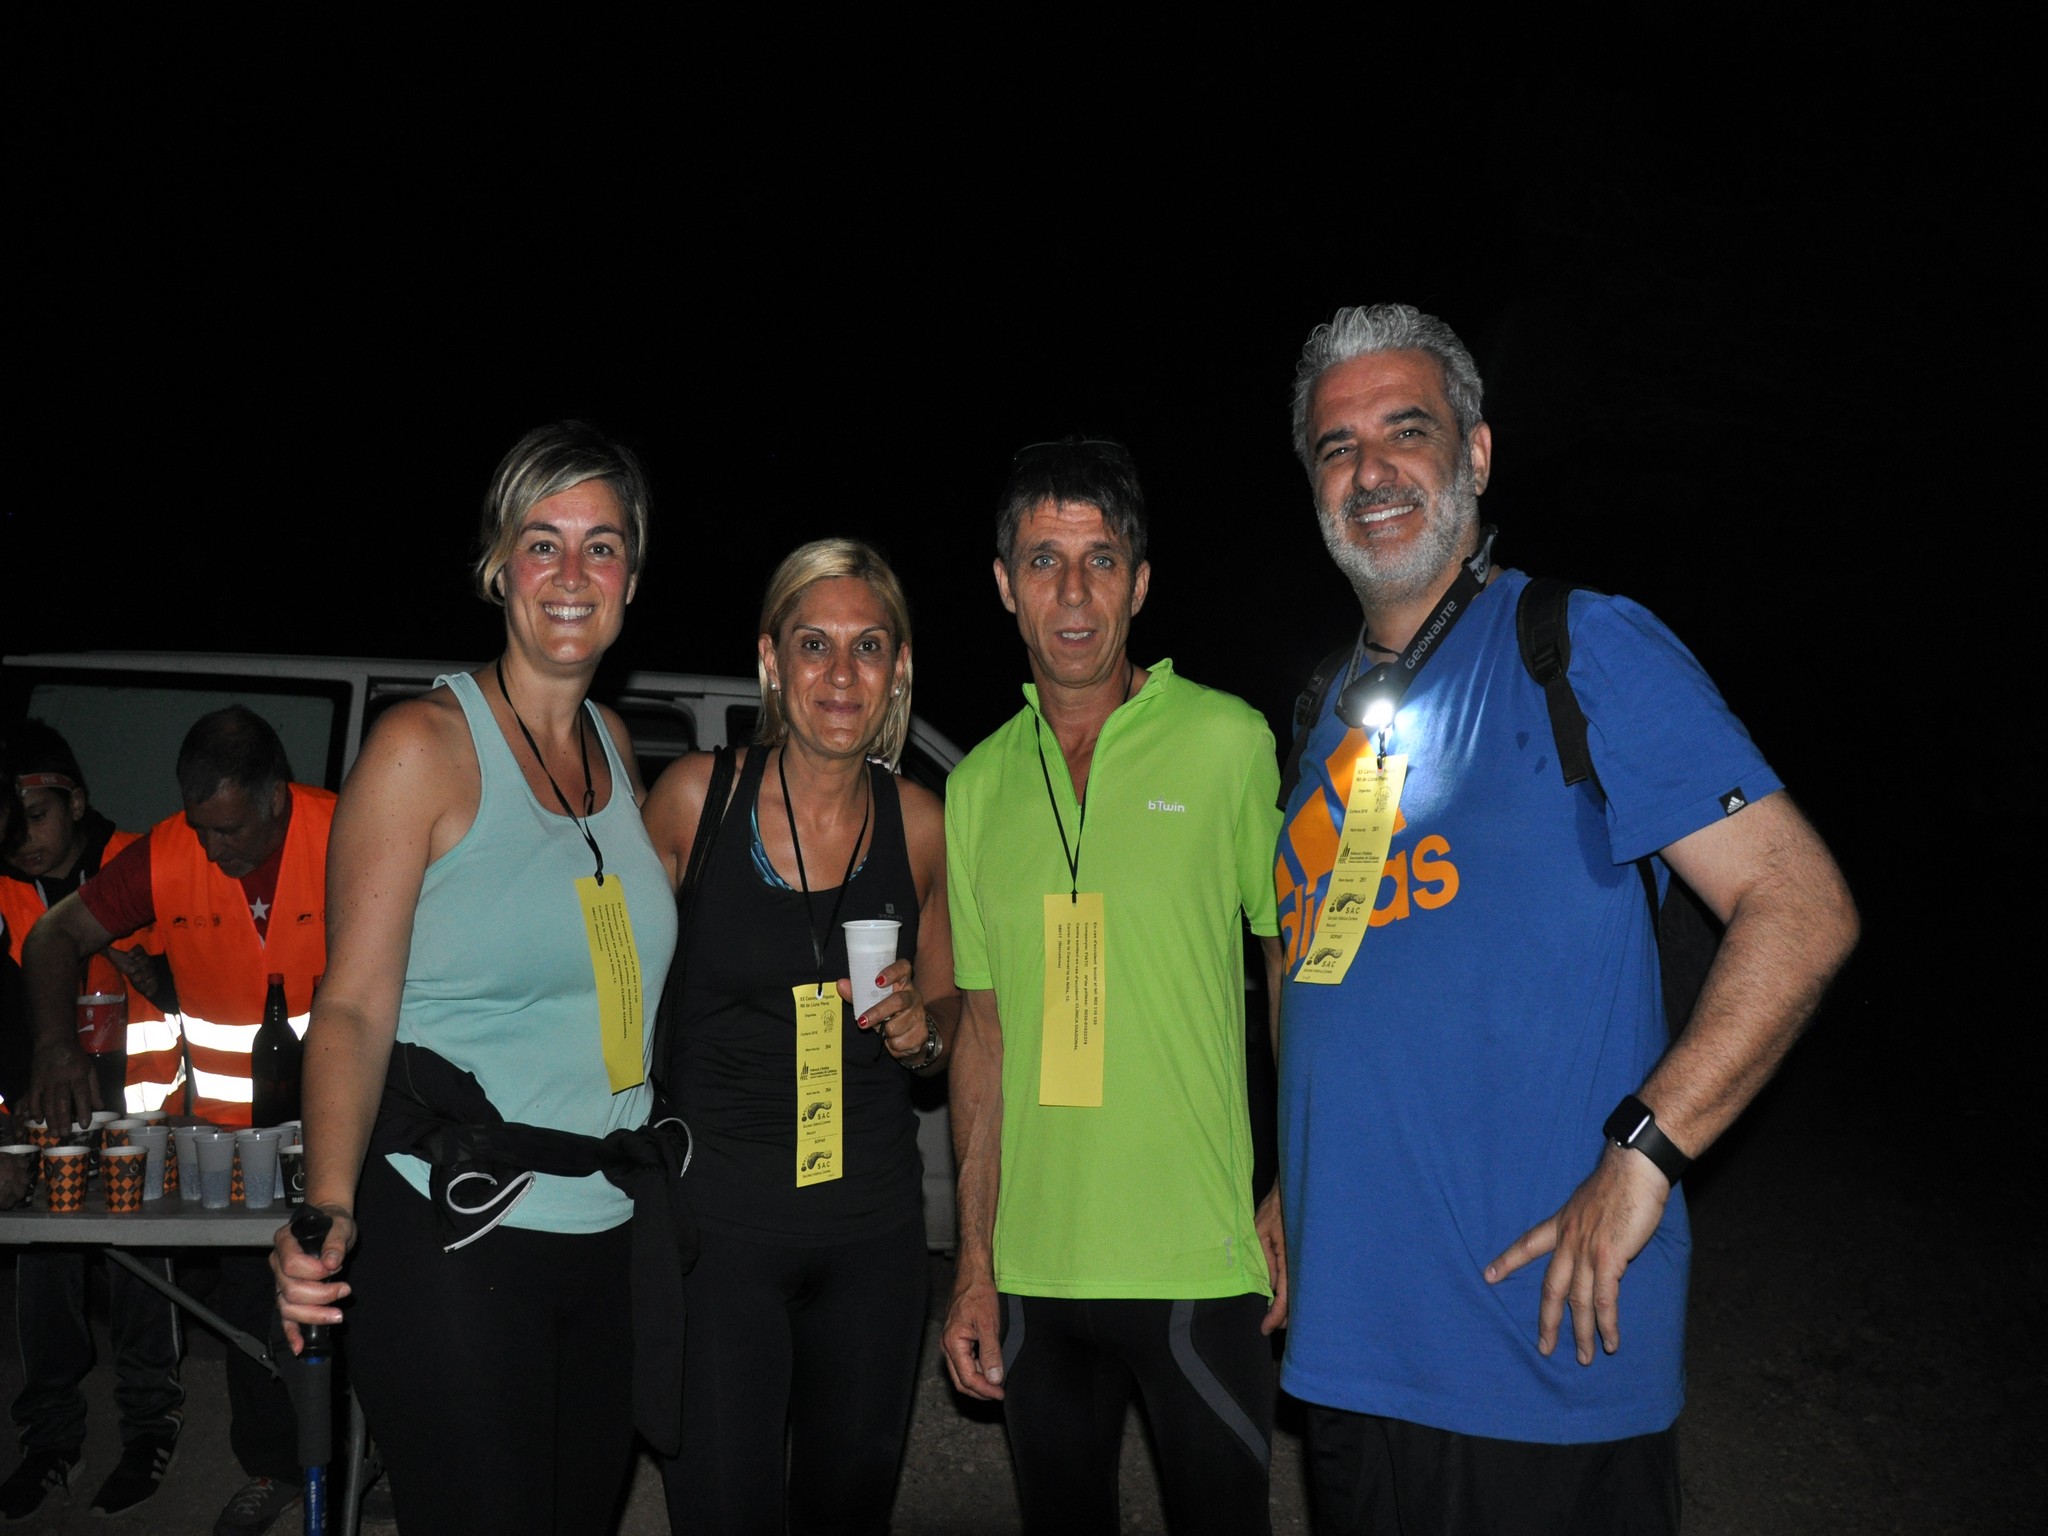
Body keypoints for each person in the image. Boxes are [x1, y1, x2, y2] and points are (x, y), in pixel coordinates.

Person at [1273, 303, 1860, 1534]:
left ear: (1475, 454)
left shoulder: (1577, 646)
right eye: (1335, 447)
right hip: (1346, 1355)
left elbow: (1798, 904)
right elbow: (1319, 972)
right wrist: (1294, 1179)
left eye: (1404, 430)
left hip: (1532, 1356)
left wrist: (1646, 1149)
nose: (1369, 471)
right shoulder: (1325, 709)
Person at [272, 421, 681, 1536]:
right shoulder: (421, 746)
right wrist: (328, 1203)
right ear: (500, 565)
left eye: (601, 546)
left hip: (606, 1226)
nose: (571, 572)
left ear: (632, 578)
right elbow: (351, 1005)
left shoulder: (615, 745)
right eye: (542, 542)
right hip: (455, 1227)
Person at [941, 438, 1287, 1534]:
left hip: (1201, 1260)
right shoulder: (977, 787)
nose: (1073, 593)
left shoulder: (1228, 743)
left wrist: (1299, 1186)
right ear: (1005, 586)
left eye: (1100, 560)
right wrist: (975, 1261)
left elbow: (1293, 966)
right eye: (1043, 561)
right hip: (1037, 1272)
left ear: (1139, 583)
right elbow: (982, 1036)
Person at [641, 538, 957, 1534]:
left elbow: (950, 1018)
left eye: (868, 647)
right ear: (771, 660)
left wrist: (922, 1033)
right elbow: (611, 1002)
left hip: (872, 1235)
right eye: (814, 644)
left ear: (898, 668)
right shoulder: (694, 800)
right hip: (716, 1235)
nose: (841, 674)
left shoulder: (921, 824)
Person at [21, 704, 332, 1536]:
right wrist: (55, 1047)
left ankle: (365, 1460)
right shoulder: (168, 853)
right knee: (253, 1309)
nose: (214, 850)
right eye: (201, 828)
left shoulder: (346, 834)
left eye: (230, 829)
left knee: (359, 1305)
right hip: (231, 1144)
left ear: (276, 796)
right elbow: (52, 936)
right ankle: (272, 1468)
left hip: (343, 1125)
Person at [0, 722, 183, 1521]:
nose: (22, 837)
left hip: (142, 1113)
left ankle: (150, 1429)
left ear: (75, 801)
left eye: (36, 815)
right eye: (9, 821)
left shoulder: (143, 860)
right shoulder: (2, 887)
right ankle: (50, 1442)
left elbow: (218, 978)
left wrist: (162, 976)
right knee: (43, 1274)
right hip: (42, 1119)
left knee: (144, 1278)